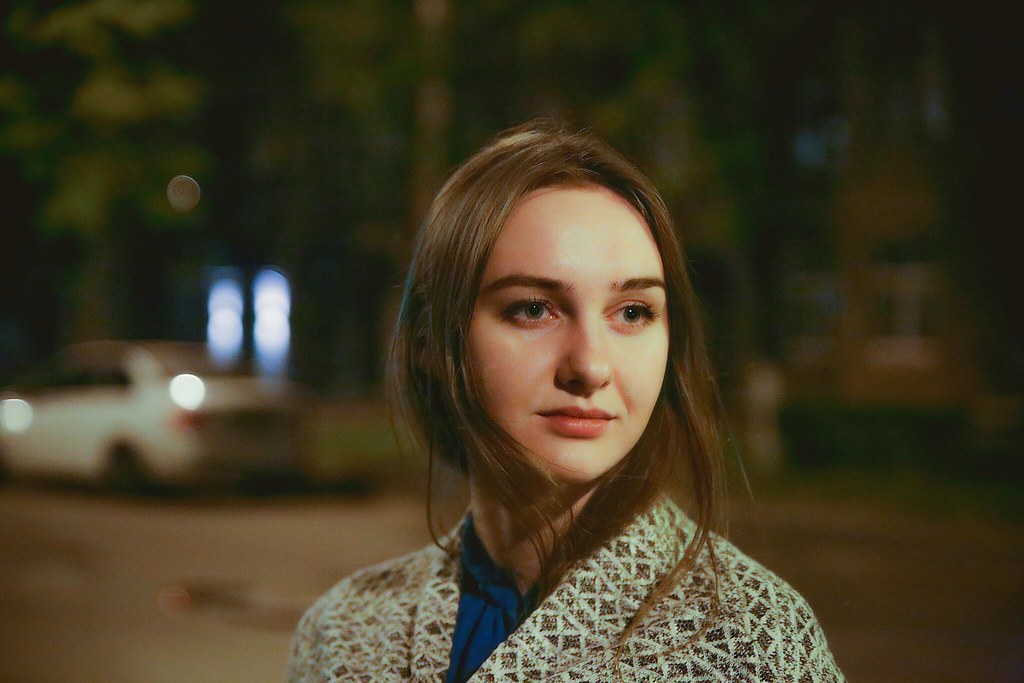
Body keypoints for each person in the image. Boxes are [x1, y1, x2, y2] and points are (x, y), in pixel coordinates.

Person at [288, 121, 844, 682]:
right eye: (533, 309)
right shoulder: (344, 632)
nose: (591, 366)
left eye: (633, 312)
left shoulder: (749, 641)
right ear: (434, 341)